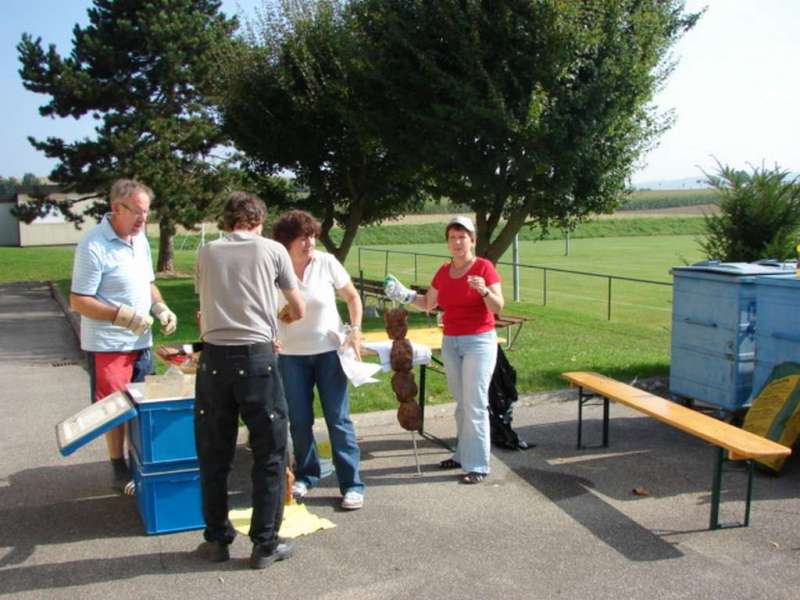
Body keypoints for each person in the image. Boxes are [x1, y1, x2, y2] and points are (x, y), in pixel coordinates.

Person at [194, 192, 305, 569]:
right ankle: (264, 544)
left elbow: (203, 305)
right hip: (257, 358)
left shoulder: (206, 252)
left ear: (228, 221)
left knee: (214, 455)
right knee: (269, 453)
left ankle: (216, 540)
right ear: (259, 220)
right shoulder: (273, 250)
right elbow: (299, 307)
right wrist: (277, 319)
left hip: (214, 361)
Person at [70, 179, 177, 493]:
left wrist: (160, 307)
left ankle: (142, 462)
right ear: (116, 208)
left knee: (143, 407)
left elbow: (146, 283)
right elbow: (78, 300)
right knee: (116, 409)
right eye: (138, 212)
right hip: (109, 345)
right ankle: (118, 465)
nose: (144, 219)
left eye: (147, 212)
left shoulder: (139, 239)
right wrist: (122, 315)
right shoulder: (94, 245)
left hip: (140, 343)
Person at [385, 216, 503, 484]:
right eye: (452, 238)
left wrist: (484, 292)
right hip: (451, 341)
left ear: (472, 240)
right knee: (462, 403)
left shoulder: (484, 268)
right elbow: (428, 303)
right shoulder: (444, 271)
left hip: (479, 341)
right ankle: (462, 455)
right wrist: (403, 293)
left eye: (462, 237)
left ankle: (477, 465)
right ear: (448, 243)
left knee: (474, 404)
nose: (458, 242)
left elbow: (498, 307)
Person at [272, 210, 366, 510]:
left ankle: (351, 484)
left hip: (328, 353)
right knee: (299, 421)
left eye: (312, 235)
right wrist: (272, 328)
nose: (309, 242)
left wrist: (356, 329)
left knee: (338, 419)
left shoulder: (326, 262)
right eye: (302, 237)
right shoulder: (275, 267)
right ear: (287, 241)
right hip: (289, 356)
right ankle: (306, 476)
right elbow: (262, 308)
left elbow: (352, 297)